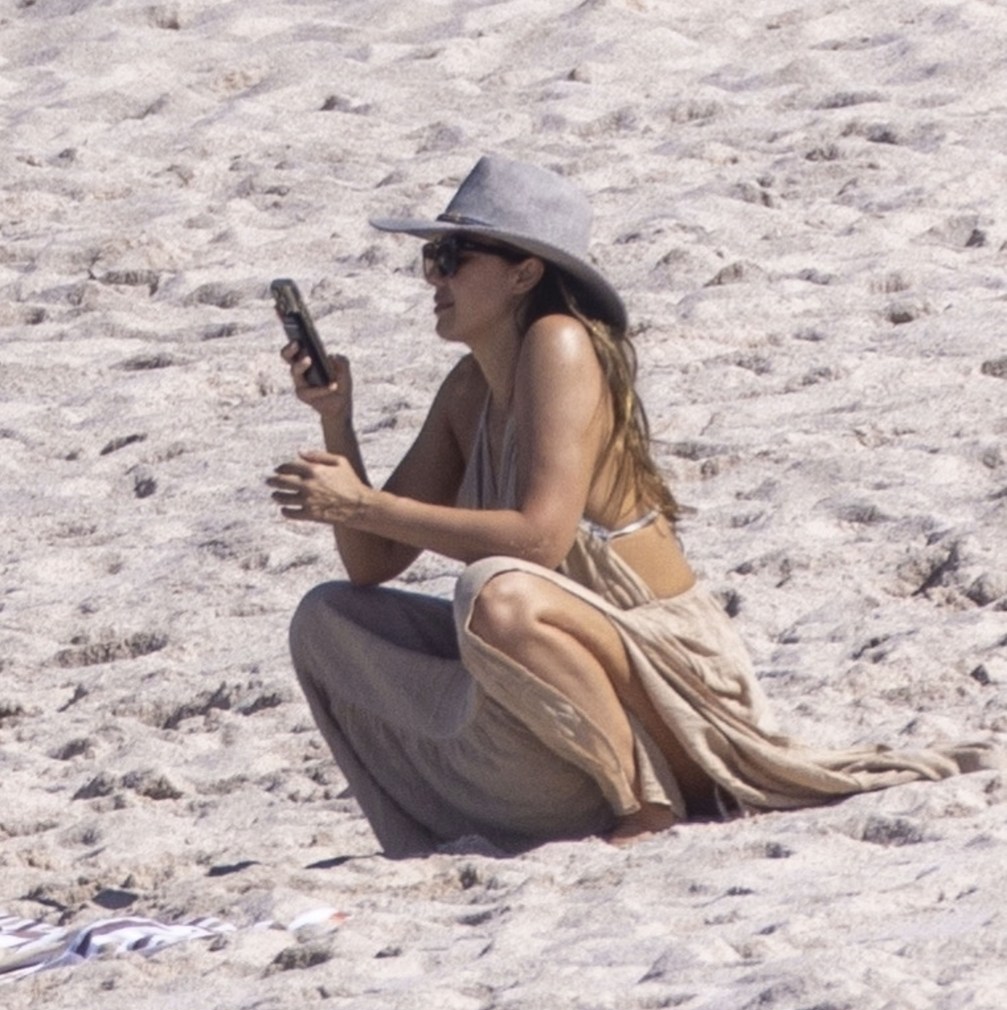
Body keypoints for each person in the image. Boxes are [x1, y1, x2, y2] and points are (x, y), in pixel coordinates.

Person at [267, 154, 995, 857]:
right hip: (554, 681)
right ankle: (483, 812)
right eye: (431, 258)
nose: (434, 276)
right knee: (328, 619)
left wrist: (362, 504)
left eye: (454, 255)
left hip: (662, 673)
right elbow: (371, 563)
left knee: (495, 592)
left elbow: (538, 541)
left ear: (524, 272)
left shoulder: (559, 344)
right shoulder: (466, 391)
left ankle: (642, 800)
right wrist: (337, 419)